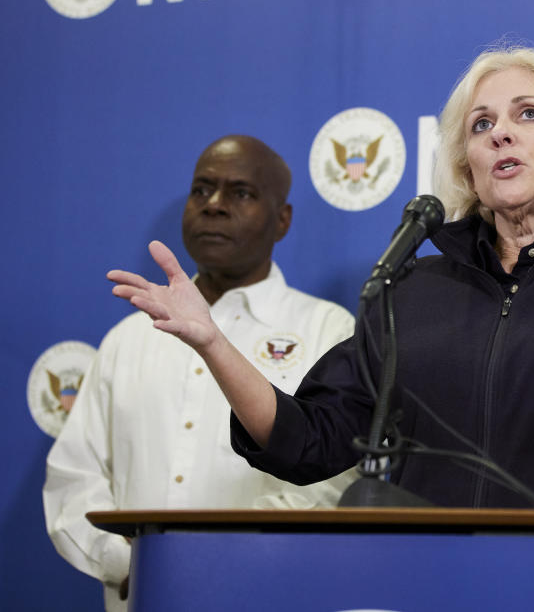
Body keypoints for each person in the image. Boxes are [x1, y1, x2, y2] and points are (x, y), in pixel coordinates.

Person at [107, 47, 534, 509]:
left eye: (528, 114)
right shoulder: (411, 290)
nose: (502, 134)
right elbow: (311, 441)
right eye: (482, 125)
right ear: (467, 166)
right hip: (430, 586)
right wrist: (215, 342)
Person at [43, 135, 358, 612]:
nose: (214, 205)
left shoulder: (326, 329)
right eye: (202, 190)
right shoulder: (129, 338)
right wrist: (134, 562)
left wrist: (210, 564)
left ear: (282, 220)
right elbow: (74, 478)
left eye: (241, 193)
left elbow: (330, 485)